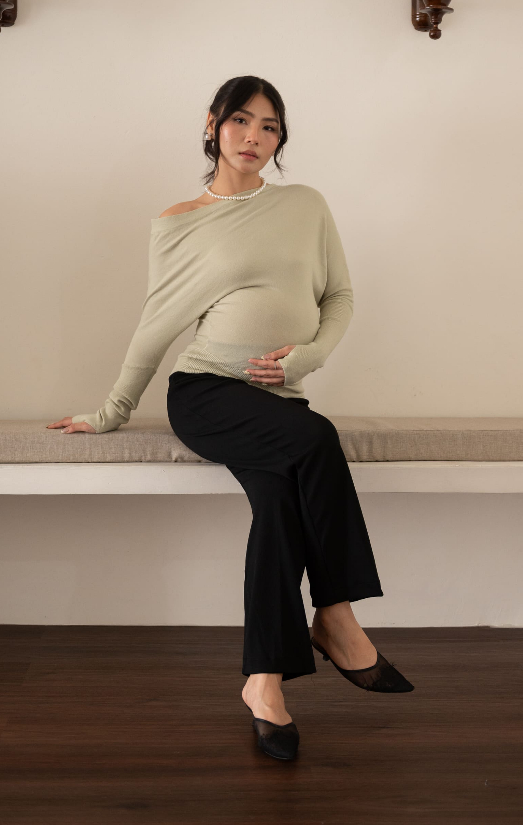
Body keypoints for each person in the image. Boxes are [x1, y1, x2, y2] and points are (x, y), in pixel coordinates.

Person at [48, 76, 412, 761]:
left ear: (280, 139)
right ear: (213, 124)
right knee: (319, 437)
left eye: (269, 127)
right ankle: (336, 617)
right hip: (206, 394)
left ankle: (263, 683)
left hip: (278, 402)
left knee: (278, 504)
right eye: (241, 120)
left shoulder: (305, 205)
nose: (253, 137)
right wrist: (111, 411)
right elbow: (157, 325)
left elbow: (338, 296)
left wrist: (307, 358)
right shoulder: (180, 221)